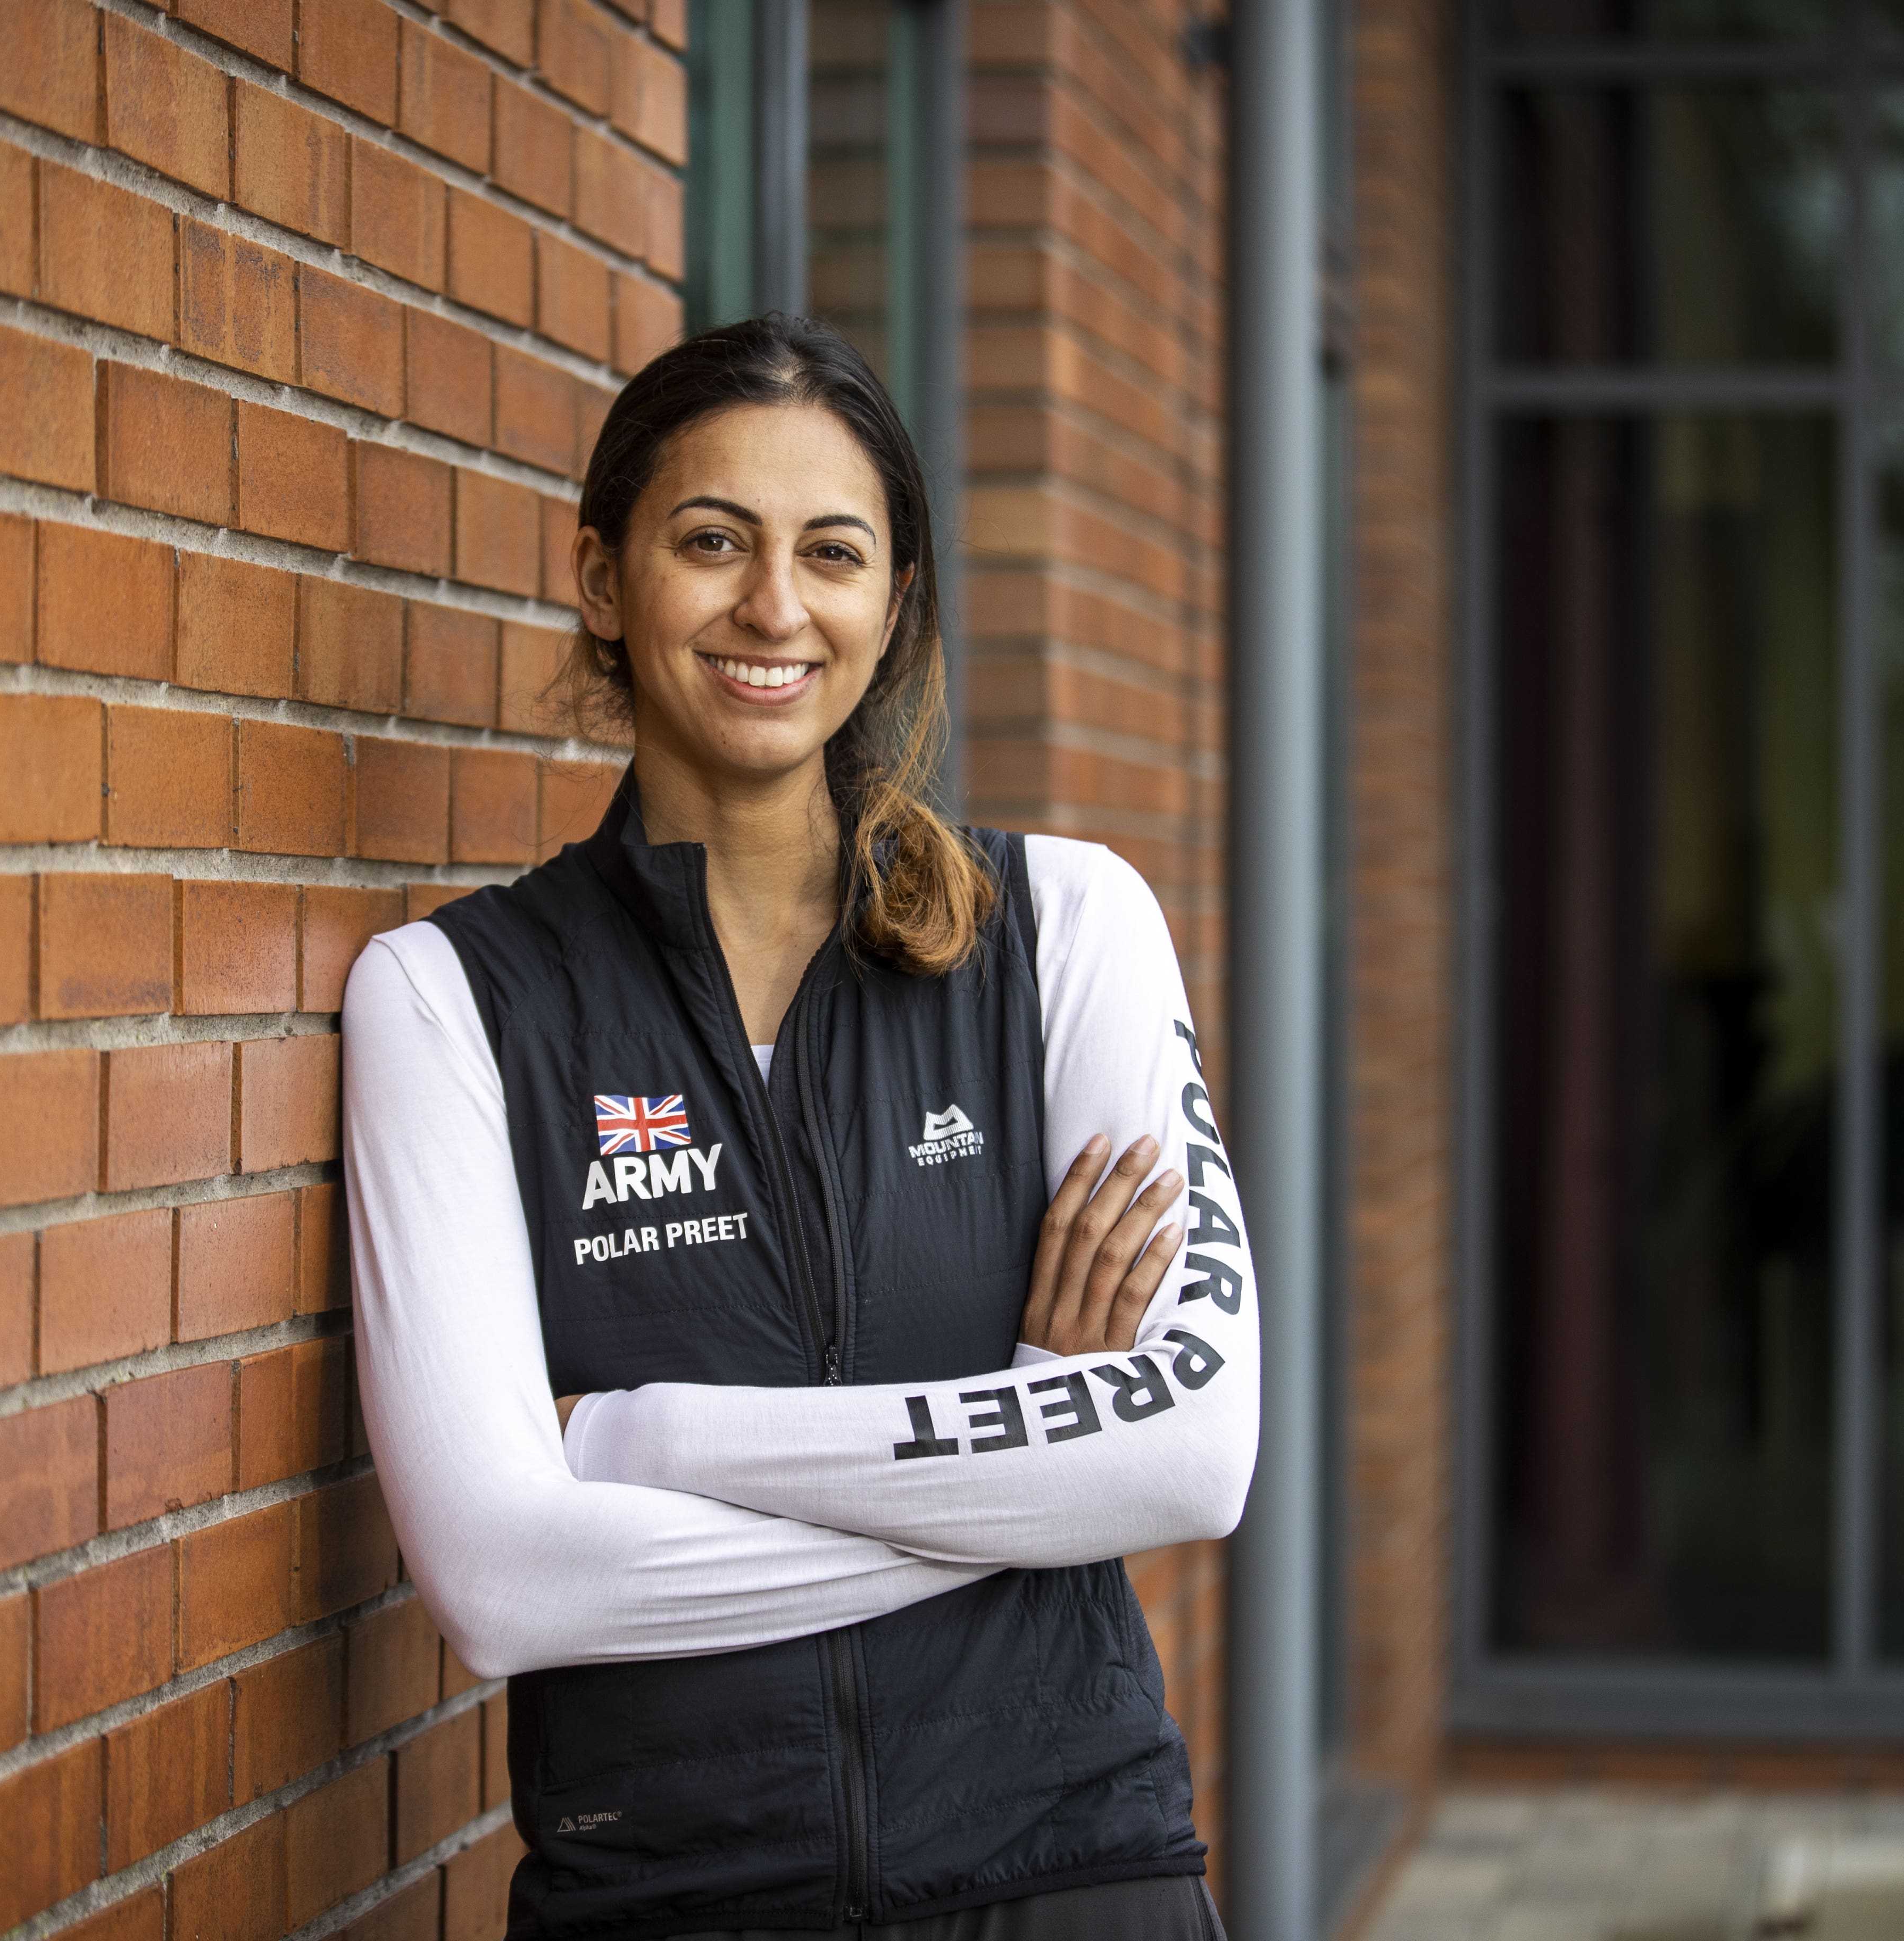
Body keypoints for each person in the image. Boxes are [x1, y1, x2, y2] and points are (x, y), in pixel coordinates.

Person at [343, 312, 1261, 1941]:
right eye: (713, 541)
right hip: (672, 1899)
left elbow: (1189, 1453)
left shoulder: (1062, 927)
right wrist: (1035, 1443)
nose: (775, 607)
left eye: (832, 554)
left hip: (1071, 1876)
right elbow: (503, 1583)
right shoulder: (451, 1002)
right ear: (601, 578)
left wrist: (654, 1444)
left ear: (891, 602)